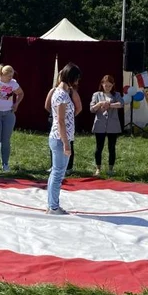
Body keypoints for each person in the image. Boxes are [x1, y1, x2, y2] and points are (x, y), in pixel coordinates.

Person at [48, 63, 81, 215]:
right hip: (60, 138)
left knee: (56, 172)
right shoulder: (61, 95)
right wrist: (66, 144)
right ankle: (53, 206)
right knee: (58, 173)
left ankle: (52, 204)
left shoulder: (64, 92)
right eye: (76, 79)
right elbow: (60, 120)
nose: (77, 82)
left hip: (60, 137)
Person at [0, 65, 23, 173]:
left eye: (11, 75)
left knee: (6, 140)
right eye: (8, 75)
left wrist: (16, 104)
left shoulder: (13, 83)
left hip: (8, 114)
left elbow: (20, 93)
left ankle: (5, 164)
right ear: (1, 74)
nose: (10, 77)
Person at [90, 75, 123, 177]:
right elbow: (92, 109)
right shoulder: (96, 95)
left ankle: (110, 168)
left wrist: (109, 105)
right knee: (99, 147)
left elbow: (121, 104)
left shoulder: (116, 95)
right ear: (102, 84)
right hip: (100, 124)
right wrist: (100, 103)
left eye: (110, 85)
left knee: (111, 147)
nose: (107, 87)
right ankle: (98, 169)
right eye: (106, 85)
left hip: (113, 125)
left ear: (113, 85)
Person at [45, 84, 81, 173]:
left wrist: (69, 117)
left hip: (67, 125)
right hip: (57, 125)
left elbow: (79, 108)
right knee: (57, 147)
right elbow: (47, 106)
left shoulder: (72, 92)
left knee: (68, 144)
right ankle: (54, 166)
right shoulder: (58, 92)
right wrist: (57, 114)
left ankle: (68, 167)